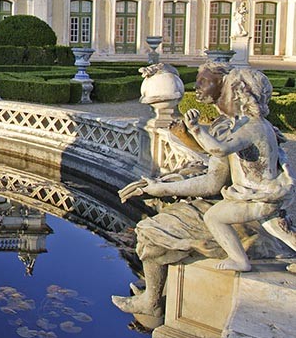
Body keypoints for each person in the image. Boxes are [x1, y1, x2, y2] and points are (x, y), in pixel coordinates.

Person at [114, 63, 296, 317]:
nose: (196, 86)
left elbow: (212, 180)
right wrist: (160, 188)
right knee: (174, 215)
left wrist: (195, 134)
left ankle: (152, 301)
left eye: (204, 81)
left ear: (231, 90)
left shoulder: (240, 129)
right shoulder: (233, 126)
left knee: (149, 230)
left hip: (250, 210)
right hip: (251, 202)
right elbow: (213, 181)